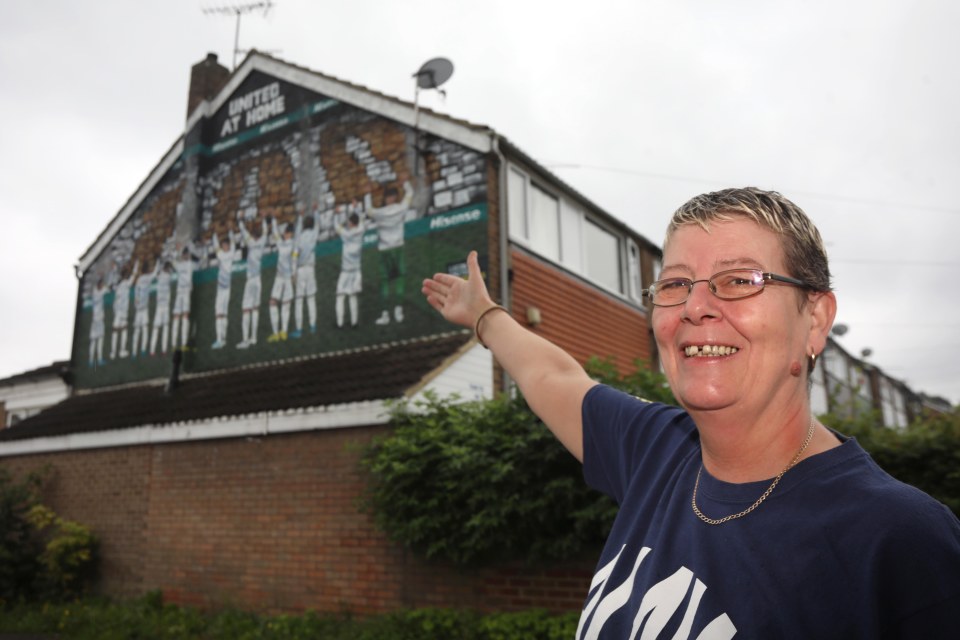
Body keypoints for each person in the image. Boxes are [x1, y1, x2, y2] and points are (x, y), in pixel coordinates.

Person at [421, 187, 960, 639]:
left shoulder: (902, 543)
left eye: (740, 280)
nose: (696, 307)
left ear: (815, 319)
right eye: (676, 284)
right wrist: (483, 315)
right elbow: (554, 377)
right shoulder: (656, 449)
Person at [366, 180, 413, 325]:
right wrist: (405, 183)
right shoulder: (401, 208)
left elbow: (368, 209)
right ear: (394, 197)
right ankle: (398, 311)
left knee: (385, 282)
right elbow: (410, 193)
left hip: (384, 250)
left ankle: (385, 315)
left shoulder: (379, 213)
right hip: (398, 247)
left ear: (386, 199)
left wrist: (368, 193)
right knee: (400, 278)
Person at [237, 215, 267, 349]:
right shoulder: (262, 242)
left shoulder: (250, 242)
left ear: (253, 235)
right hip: (258, 280)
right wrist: (264, 219)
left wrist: (240, 220)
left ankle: (245, 340)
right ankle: (254, 338)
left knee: (246, 310)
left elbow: (243, 231)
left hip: (250, 281)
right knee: (255, 309)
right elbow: (266, 231)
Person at [334, 211, 366, 329]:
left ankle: (340, 323)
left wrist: (336, 214)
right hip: (356, 271)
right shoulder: (361, 230)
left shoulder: (346, 234)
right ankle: (354, 322)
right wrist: (356, 208)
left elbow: (336, 226)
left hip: (346, 271)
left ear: (351, 223)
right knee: (353, 297)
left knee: (340, 296)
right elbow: (362, 221)